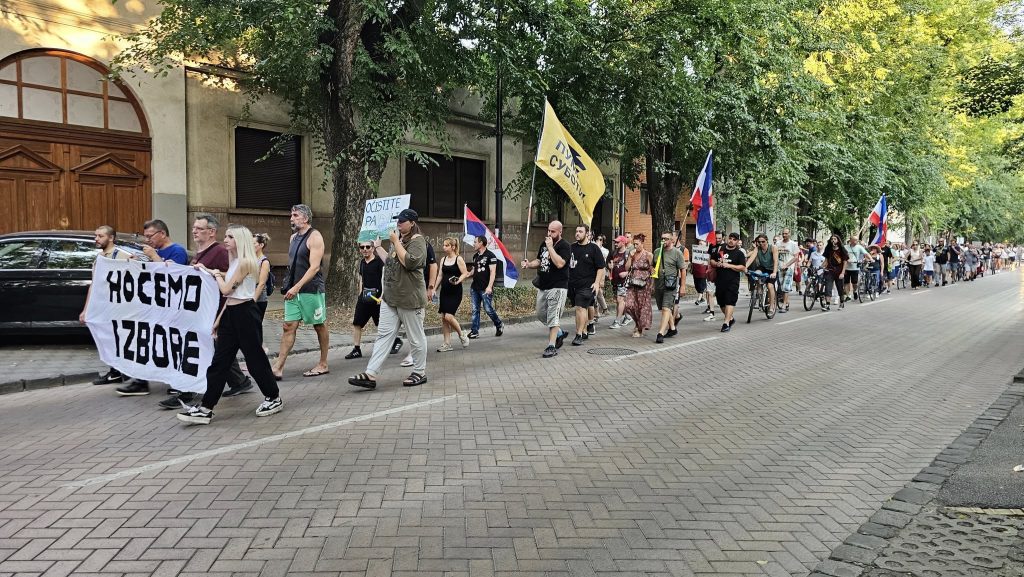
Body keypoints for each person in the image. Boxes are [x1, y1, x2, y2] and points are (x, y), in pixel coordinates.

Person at [177, 225, 283, 425]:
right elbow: (230, 292)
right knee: (220, 361)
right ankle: (206, 407)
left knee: (254, 359)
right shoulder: (234, 261)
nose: (225, 240)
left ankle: (273, 397)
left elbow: (226, 289)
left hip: (245, 314)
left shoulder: (245, 262)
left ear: (240, 240)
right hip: (232, 314)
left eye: (230, 237)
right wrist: (219, 319)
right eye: (225, 236)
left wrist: (215, 275)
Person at [155, 213, 254, 407]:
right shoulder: (200, 252)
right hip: (201, 311)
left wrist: (212, 273)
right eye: (194, 228)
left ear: (211, 232)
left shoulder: (219, 252)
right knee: (219, 352)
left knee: (200, 350)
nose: (194, 231)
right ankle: (240, 381)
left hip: (215, 310)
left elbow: (231, 279)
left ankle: (187, 393)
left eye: (199, 228)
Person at [349, 209, 429, 388]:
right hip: (390, 298)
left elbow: (410, 262)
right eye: (397, 221)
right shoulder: (399, 240)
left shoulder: (418, 242)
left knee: (415, 338)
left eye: (402, 221)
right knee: (384, 336)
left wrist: (394, 241)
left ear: (412, 223)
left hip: (409, 299)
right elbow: (392, 262)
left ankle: (419, 371)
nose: (398, 224)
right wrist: (378, 247)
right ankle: (371, 374)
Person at [115, 219, 190, 397]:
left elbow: (174, 276)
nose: (148, 240)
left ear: (162, 234)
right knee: (145, 342)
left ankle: (177, 380)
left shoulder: (177, 251)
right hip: (152, 306)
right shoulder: (153, 251)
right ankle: (141, 381)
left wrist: (154, 257)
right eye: (146, 237)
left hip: (170, 307)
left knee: (170, 343)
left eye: (150, 236)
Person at [273, 204, 329, 379]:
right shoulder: (293, 238)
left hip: (311, 290)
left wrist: (297, 286)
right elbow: (292, 266)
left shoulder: (315, 237)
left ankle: (323, 363)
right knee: (288, 326)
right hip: (293, 291)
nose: (291, 218)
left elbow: (314, 268)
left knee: (319, 325)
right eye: (291, 215)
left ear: (305, 219)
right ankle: (278, 367)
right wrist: (289, 286)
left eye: (295, 215)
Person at [81, 226, 133, 386]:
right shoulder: (99, 257)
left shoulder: (123, 256)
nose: (96, 239)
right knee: (108, 339)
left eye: (100, 236)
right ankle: (115, 372)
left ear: (111, 238)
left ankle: (129, 372)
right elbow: (94, 284)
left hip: (120, 307)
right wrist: (86, 309)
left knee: (122, 340)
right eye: (95, 235)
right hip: (105, 307)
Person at [520, 220, 571, 358]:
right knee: (541, 314)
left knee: (553, 317)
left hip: (558, 287)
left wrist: (551, 248)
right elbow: (540, 260)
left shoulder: (564, 246)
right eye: (548, 230)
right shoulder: (545, 243)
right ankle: (559, 333)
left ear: (560, 232)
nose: (549, 233)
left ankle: (551, 346)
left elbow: (560, 263)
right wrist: (530, 264)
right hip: (544, 285)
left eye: (553, 231)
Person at [395, 239, 437, 367]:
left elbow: (433, 265)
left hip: (418, 290)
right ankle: (414, 352)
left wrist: (430, 287)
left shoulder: (423, 244)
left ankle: (414, 356)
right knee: (410, 326)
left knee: (417, 324)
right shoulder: (399, 243)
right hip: (403, 290)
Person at [567, 225, 606, 346]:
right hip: (573, 285)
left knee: (580, 307)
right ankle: (583, 331)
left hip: (588, 285)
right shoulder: (571, 248)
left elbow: (601, 267)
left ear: (587, 233)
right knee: (579, 309)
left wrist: (597, 283)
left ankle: (578, 334)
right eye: (576, 231)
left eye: (580, 231)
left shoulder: (593, 248)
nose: (577, 233)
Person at [346, 239, 384, 360]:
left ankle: (392, 343)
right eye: (362, 247)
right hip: (364, 298)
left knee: (381, 325)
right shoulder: (362, 262)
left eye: (368, 247)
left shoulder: (379, 262)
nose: (365, 249)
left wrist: (382, 297)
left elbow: (385, 280)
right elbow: (361, 280)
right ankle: (356, 349)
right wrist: (360, 294)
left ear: (373, 248)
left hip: (377, 298)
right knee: (357, 323)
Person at [434, 237, 471, 352]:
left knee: (448, 316)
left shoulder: (458, 259)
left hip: (455, 292)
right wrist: (434, 288)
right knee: (444, 318)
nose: (444, 247)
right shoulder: (443, 259)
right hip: (444, 291)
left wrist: (458, 280)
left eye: (446, 245)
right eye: (444, 245)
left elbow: (465, 273)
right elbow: (440, 275)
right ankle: (447, 344)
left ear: (453, 247)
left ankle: (462, 334)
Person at [467, 235, 504, 339]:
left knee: (488, 309)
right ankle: (474, 331)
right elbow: (473, 271)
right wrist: (465, 275)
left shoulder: (491, 256)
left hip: (485, 288)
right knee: (475, 309)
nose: (473, 244)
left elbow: (493, 272)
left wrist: (489, 287)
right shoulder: (475, 256)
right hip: (475, 287)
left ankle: (499, 324)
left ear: (481, 243)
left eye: (475, 242)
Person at [652, 231, 685, 343]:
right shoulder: (657, 251)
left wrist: (683, 286)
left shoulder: (677, 253)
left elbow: (683, 270)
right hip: (658, 284)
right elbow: (653, 266)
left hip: (670, 285)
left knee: (666, 308)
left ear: (672, 240)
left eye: (666, 239)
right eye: (662, 238)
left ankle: (660, 333)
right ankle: (672, 328)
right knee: (662, 308)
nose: (664, 241)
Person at [710, 232, 746, 332]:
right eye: (730, 238)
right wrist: (717, 263)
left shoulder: (739, 253)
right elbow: (712, 260)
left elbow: (742, 267)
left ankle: (726, 323)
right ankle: (730, 318)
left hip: (732, 281)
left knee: (729, 301)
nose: (731, 241)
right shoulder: (720, 249)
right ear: (727, 239)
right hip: (720, 280)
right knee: (721, 303)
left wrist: (729, 266)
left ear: (737, 241)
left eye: (734, 239)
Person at [621, 234, 654, 338]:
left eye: (637, 244)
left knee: (641, 307)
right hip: (632, 283)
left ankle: (639, 328)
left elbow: (653, 271)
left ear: (642, 243)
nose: (635, 246)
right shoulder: (633, 254)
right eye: (634, 244)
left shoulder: (648, 255)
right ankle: (637, 323)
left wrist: (652, 285)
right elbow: (626, 268)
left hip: (644, 284)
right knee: (629, 305)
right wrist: (630, 257)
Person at [746, 233, 779, 312]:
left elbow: (775, 261)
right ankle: (759, 292)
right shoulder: (757, 248)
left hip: (772, 269)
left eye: (763, 242)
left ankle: (771, 305)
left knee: (770, 286)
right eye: (759, 242)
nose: (761, 243)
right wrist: (745, 267)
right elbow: (751, 258)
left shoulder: (773, 248)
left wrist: (774, 272)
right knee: (756, 274)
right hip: (763, 267)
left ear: (767, 241)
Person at [607, 235, 633, 329]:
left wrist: (626, 273)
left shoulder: (628, 253)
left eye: (618, 242)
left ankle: (617, 321)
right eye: (615, 242)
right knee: (618, 302)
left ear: (623, 242)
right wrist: (609, 267)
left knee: (620, 300)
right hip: (615, 280)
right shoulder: (613, 253)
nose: (616, 243)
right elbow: (608, 262)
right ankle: (628, 316)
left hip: (624, 281)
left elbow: (634, 267)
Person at [253, 233, 273, 339]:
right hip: (248, 297)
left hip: (259, 300)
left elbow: (261, 284)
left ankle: (258, 350)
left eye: (254, 243)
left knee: (255, 327)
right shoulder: (250, 259)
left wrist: (253, 300)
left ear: (261, 245)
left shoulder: (264, 262)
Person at [775, 229, 799, 312]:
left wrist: (787, 265)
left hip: (789, 268)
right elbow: (775, 254)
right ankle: (787, 302)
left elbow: (796, 257)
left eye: (786, 233)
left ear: (789, 234)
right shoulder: (778, 243)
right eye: (783, 233)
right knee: (782, 287)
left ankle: (784, 305)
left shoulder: (793, 244)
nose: (784, 235)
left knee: (786, 286)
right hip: (780, 267)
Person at [823, 235, 848, 308]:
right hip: (830, 270)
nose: (833, 240)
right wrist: (821, 267)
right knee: (828, 287)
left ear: (838, 240)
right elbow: (826, 261)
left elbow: (845, 262)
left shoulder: (842, 249)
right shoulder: (828, 249)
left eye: (835, 239)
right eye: (832, 239)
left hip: (839, 271)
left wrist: (842, 273)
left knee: (840, 288)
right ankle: (827, 304)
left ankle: (842, 302)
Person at [692, 240, 713, 319]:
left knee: (702, 286)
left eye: (701, 243)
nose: (699, 244)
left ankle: (699, 299)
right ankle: (702, 298)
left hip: (704, 272)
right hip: (696, 272)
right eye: (699, 243)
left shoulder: (707, 252)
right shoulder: (695, 251)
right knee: (697, 286)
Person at [843, 237, 868, 301]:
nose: (856, 241)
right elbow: (842, 255)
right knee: (846, 282)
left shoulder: (859, 247)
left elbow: (866, 253)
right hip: (846, 268)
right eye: (855, 240)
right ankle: (848, 295)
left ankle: (855, 291)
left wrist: (870, 258)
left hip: (855, 268)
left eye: (857, 240)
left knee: (855, 283)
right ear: (851, 240)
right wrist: (846, 260)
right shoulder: (845, 247)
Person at [594, 235, 610, 317]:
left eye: (600, 239)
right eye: (597, 239)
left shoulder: (605, 250)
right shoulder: (593, 246)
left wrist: (598, 247)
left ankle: (602, 309)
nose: (598, 240)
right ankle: (600, 311)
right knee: (596, 292)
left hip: (601, 271)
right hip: (593, 271)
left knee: (599, 290)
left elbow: (603, 257)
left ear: (603, 241)